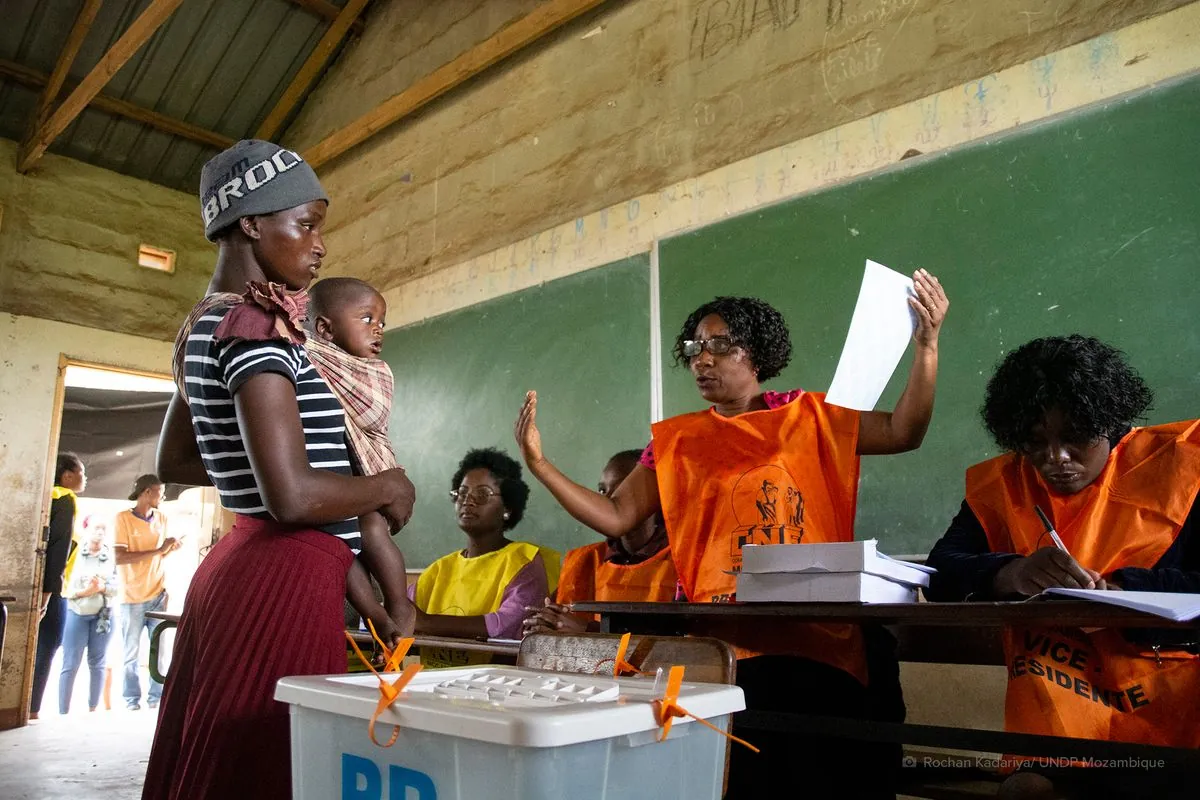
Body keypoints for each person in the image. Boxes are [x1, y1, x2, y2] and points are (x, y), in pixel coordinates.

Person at [514, 280, 949, 797]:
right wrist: (541, 465)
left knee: (818, 776)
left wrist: (926, 347)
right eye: (695, 347)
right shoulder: (676, 442)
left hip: (814, 640)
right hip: (723, 646)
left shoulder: (810, 416)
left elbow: (904, 432)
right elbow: (616, 515)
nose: (703, 358)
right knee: (739, 781)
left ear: (756, 353)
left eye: (720, 345)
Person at [143, 139, 417, 800]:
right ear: (250, 222)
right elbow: (292, 496)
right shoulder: (259, 326)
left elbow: (178, 459)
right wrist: (387, 484)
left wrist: (260, 470)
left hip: (241, 565)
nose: (319, 245)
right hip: (282, 578)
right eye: (306, 224)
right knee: (269, 766)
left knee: (230, 762)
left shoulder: (203, 324)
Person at [925, 335, 1200, 799]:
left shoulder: (1179, 469)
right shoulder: (1004, 484)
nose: (1055, 459)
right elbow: (940, 571)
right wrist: (1007, 573)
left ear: (1110, 423)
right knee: (1025, 791)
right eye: (1036, 443)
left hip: (1172, 725)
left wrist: (1120, 588)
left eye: (1074, 438)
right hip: (1057, 730)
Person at [304, 277, 414, 631]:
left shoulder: (372, 372)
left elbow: (371, 412)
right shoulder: (306, 355)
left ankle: (400, 605)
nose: (378, 329)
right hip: (332, 482)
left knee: (369, 529)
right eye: (367, 319)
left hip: (366, 476)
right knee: (338, 543)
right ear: (325, 328)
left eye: (382, 322)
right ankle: (374, 613)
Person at [410, 448, 558, 666]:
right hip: (433, 688)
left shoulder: (523, 560)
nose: (467, 501)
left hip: (494, 689)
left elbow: (507, 626)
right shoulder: (439, 569)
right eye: (461, 493)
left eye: (482, 495)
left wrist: (423, 622)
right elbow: (399, 614)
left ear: (507, 506)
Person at [523, 449, 675, 635]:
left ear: (653, 494)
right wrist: (547, 621)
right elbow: (558, 621)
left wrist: (588, 630)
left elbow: (681, 641)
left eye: (621, 489)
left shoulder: (682, 562)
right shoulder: (584, 559)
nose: (607, 498)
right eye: (602, 490)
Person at [113, 474, 177, 711]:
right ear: (147, 492)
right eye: (160, 491)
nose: (163, 496)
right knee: (131, 653)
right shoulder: (123, 519)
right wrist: (158, 549)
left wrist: (168, 549)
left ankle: (155, 697)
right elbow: (120, 557)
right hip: (132, 596)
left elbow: (159, 555)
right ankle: (131, 699)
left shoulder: (162, 518)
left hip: (158, 593)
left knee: (158, 650)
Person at [30, 453, 86, 720]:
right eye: (81, 472)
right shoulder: (65, 499)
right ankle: (32, 708)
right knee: (49, 643)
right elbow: (58, 549)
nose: (84, 478)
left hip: (45, 585)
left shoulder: (46, 496)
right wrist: (47, 595)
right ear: (67, 475)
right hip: (51, 589)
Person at [58, 515, 116, 714]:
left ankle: (93, 708)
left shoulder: (110, 556)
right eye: (95, 528)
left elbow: (116, 587)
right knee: (70, 662)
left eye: (103, 529)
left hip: (102, 614)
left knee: (98, 662)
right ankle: (63, 711)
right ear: (86, 529)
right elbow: (65, 587)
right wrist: (85, 592)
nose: (99, 533)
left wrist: (101, 588)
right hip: (77, 611)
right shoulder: (75, 552)